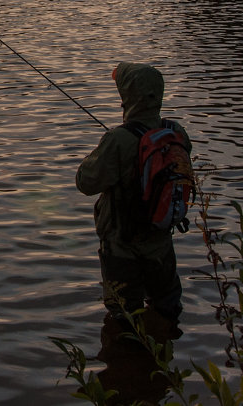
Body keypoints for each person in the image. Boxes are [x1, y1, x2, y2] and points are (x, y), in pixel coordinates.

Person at [76, 62, 191, 324]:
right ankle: (168, 353)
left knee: (124, 317)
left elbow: (85, 182)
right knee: (167, 306)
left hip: (122, 245)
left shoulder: (118, 140)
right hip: (161, 239)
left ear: (127, 97)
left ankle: (126, 359)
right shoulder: (176, 132)